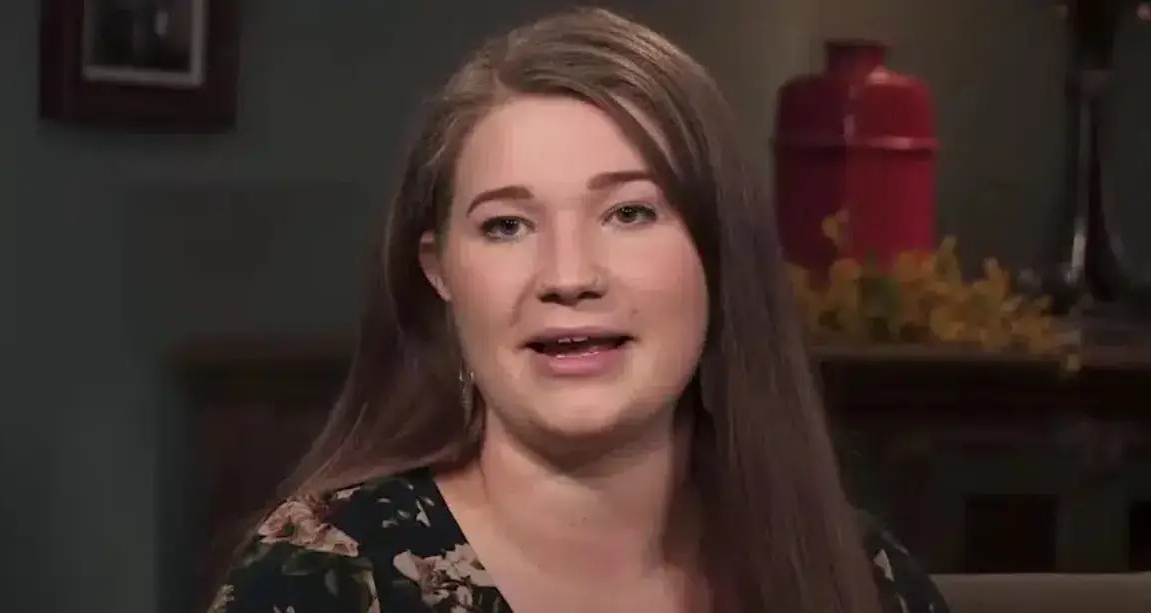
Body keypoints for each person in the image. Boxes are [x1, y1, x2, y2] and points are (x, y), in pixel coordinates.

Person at [208, 7, 949, 613]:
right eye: (507, 225)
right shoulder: (323, 581)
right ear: (440, 272)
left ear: (719, 250)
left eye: (628, 213)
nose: (568, 277)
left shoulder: (861, 579)